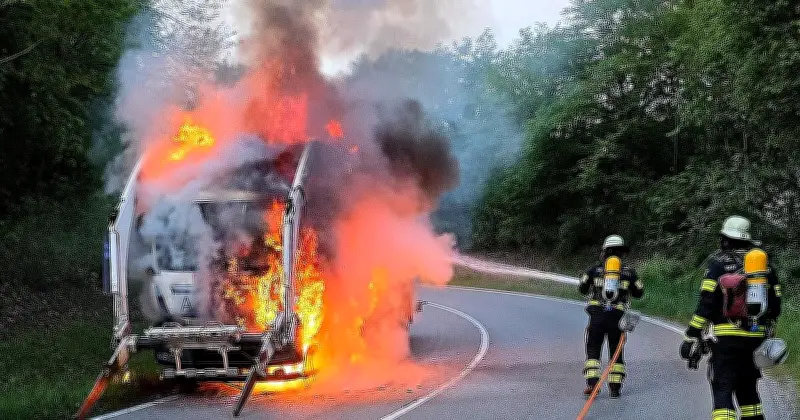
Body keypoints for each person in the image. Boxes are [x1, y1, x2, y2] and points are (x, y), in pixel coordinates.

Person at [680, 215, 783, 420]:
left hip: (726, 340)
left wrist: (691, 335)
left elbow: (706, 305)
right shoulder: (766, 269)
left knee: (722, 389)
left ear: (726, 240)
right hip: (756, 340)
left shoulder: (718, 265)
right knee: (748, 390)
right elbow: (776, 308)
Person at [579, 234, 644, 398]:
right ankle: (615, 388)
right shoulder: (629, 273)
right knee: (616, 350)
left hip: (597, 316)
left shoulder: (593, 270)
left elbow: (582, 288)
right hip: (617, 317)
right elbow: (639, 292)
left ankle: (592, 384)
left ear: (605, 252)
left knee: (593, 349)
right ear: (622, 253)